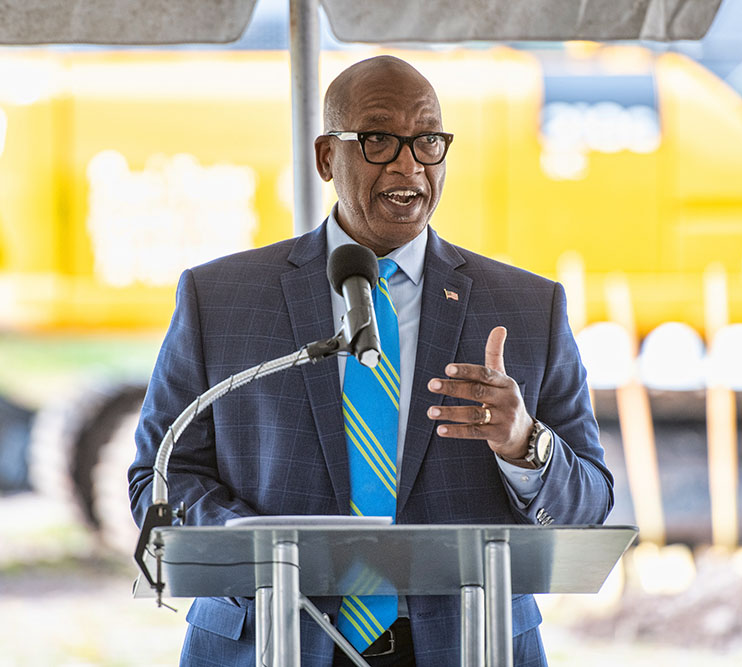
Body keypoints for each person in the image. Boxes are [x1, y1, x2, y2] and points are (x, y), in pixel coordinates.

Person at [129, 55, 613, 666]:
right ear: (327, 157)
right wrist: (251, 548)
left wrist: (525, 445)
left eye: (428, 140)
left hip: (467, 645)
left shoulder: (527, 306)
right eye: (379, 139)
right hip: (267, 640)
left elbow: (590, 504)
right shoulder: (221, 299)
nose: (408, 164)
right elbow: (159, 478)